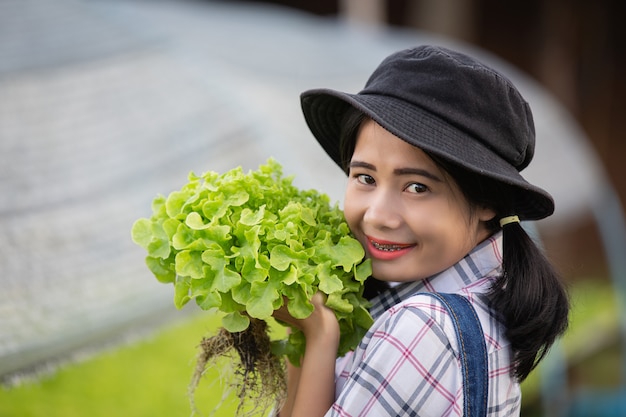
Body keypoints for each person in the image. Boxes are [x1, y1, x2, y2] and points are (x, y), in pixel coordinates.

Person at [273, 45, 569, 417]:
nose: (378, 216)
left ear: (486, 201)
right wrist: (306, 331)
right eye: (365, 177)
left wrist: (319, 337)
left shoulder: (422, 327)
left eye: (417, 187)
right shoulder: (482, 299)